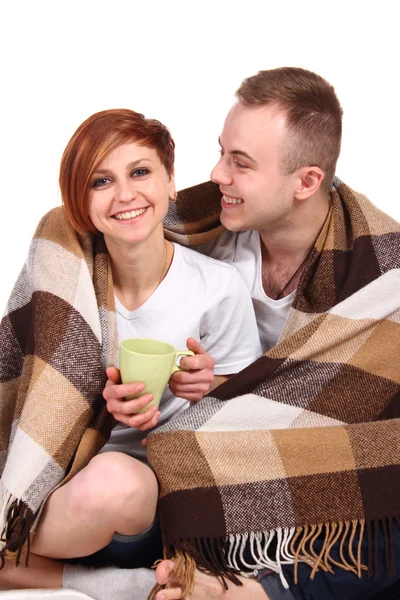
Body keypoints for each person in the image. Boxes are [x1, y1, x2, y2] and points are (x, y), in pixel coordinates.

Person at [149, 67, 400, 599]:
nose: (217, 174)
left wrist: (230, 389)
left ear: (307, 181)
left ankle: (264, 590)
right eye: (222, 152)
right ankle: (213, 571)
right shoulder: (192, 239)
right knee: (134, 485)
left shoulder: (384, 275)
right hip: (196, 456)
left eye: (240, 164)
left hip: (315, 461)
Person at [0, 108, 262, 599]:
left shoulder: (216, 287)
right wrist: (97, 401)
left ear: (170, 183)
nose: (125, 194)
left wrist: (206, 387)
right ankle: (112, 585)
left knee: (121, 480)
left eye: (140, 172)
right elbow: (26, 389)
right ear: (81, 200)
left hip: (144, 503)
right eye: (101, 180)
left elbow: (248, 414)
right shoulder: (62, 274)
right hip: (53, 489)